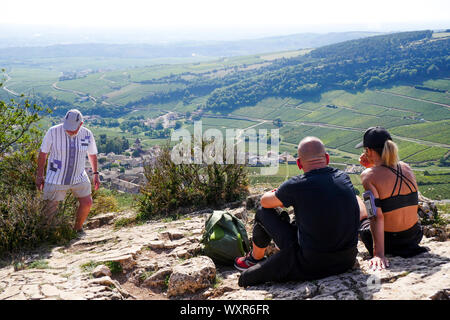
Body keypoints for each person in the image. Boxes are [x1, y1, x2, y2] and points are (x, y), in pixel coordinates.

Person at [234, 136, 362, 287]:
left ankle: (255, 259)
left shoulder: (296, 185)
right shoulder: (344, 177)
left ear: (299, 163)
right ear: (327, 158)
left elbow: (264, 201)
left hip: (311, 263)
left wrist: (277, 192)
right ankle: (260, 258)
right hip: (347, 260)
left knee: (246, 278)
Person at [356, 126, 427, 270]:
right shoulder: (406, 167)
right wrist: (371, 166)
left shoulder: (368, 176)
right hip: (414, 237)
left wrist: (379, 254)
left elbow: (375, 216)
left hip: (389, 243)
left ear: (368, 151)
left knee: (356, 200)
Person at [36, 109, 100, 234]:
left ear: (80, 124)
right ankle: (50, 236)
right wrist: (39, 176)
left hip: (79, 175)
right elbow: (43, 154)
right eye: (67, 127)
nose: (69, 130)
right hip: (56, 176)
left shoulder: (87, 134)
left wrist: (95, 174)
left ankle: (77, 229)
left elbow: (92, 154)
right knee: (49, 210)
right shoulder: (52, 132)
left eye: (72, 128)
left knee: (87, 202)